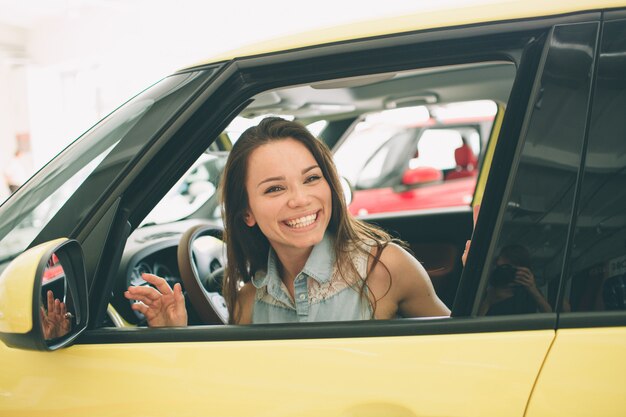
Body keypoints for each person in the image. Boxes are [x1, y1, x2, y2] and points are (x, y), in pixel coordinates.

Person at [125, 117, 450, 325]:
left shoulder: (386, 267)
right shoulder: (248, 301)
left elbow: (460, 353)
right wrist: (176, 335)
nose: (300, 199)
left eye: (311, 179)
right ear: (246, 213)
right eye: (275, 188)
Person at [477, 244, 552, 316]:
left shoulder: (527, 293)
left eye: (509, 269)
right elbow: (475, 321)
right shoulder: (485, 290)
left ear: (522, 271)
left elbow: (549, 316)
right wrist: (488, 301)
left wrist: (533, 289)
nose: (505, 273)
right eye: (501, 268)